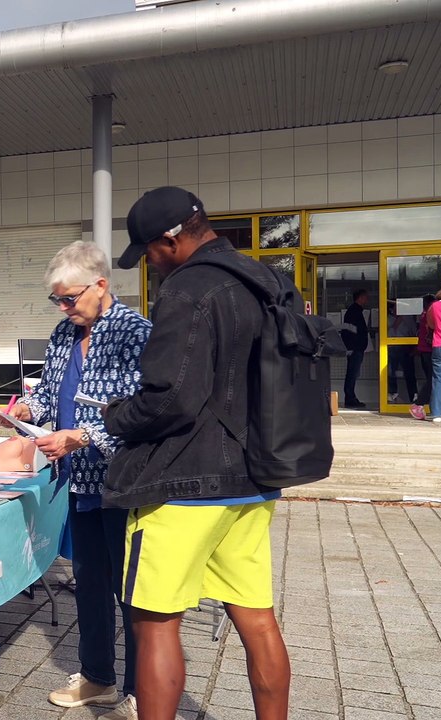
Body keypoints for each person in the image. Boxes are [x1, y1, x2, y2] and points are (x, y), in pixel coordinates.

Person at [103, 186, 290, 720]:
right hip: (253, 477)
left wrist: (116, 416)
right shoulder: (267, 280)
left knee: (155, 623)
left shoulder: (187, 289)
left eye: (150, 253)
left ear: (170, 240)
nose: (152, 265)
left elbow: (171, 399)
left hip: (181, 484)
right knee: (258, 619)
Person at [3, 241, 151, 720]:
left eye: (69, 298)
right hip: (79, 481)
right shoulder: (64, 333)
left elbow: (144, 410)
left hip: (123, 480)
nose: (64, 308)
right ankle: (97, 677)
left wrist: (84, 436)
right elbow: (49, 394)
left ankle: (141, 691)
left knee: (134, 592)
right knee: (89, 582)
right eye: (57, 299)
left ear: (100, 285)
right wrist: (27, 411)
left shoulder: (135, 332)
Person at [342, 288, 370, 408]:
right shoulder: (354, 312)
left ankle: (350, 397)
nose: (367, 300)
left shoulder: (354, 311)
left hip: (355, 347)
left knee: (353, 373)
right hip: (355, 348)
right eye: (365, 297)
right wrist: (353, 346)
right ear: (360, 298)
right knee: (352, 373)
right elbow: (350, 331)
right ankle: (350, 398)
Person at [387, 301, 418, 404]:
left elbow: (414, 332)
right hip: (392, 347)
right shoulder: (387, 319)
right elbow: (387, 334)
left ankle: (414, 397)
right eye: (395, 308)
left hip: (405, 348)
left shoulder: (408, 319)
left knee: (409, 374)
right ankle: (392, 395)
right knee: (391, 373)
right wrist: (396, 323)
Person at [427, 282, 441, 424]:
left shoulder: (434, 306)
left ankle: (437, 414)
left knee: (439, 380)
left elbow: (431, 325)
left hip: (440, 345)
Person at [412, 294, 436, 420]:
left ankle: (431, 406)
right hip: (430, 350)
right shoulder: (429, 315)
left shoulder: (424, 314)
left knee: (432, 379)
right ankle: (419, 403)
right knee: (433, 379)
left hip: (425, 351)